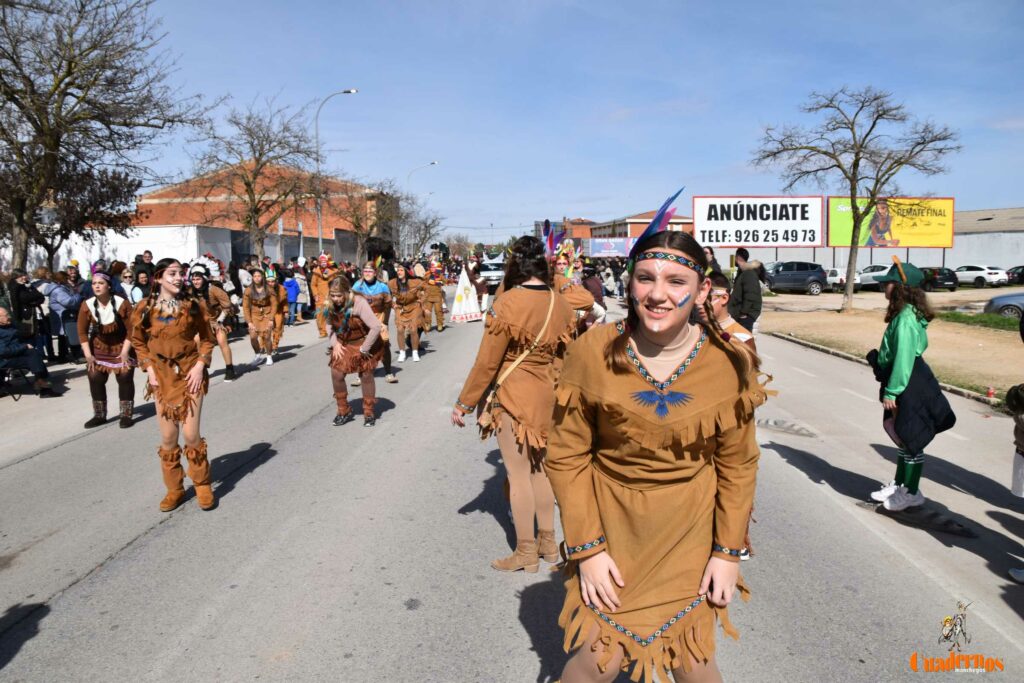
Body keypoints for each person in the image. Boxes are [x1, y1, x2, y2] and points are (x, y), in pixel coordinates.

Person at [546, 228, 766, 683]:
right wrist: (587, 549)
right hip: (611, 524)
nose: (658, 294)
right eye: (645, 278)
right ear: (630, 283)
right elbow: (567, 455)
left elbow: (738, 464)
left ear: (703, 289)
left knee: (694, 662)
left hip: (689, 530)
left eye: (676, 282)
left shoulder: (729, 363)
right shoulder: (592, 351)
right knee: (597, 662)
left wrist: (727, 553)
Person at [451, 236, 576, 572]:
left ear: (515, 265)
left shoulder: (507, 304)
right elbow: (566, 358)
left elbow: (487, 362)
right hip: (547, 395)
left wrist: (464, 402)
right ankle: (549, 544)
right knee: (542, 471)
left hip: (513, 395)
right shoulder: (561, 305)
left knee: (518, 476)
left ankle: (525, 553)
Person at [867, 262, 955, 512]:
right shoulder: (906, 312)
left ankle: (912, 492)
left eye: (888, 282)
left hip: (907, 382)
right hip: (906, 378)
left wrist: (892, 391)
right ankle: (901, 484)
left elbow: (904, 357)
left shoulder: (905, 318)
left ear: (901, 288)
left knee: (911, 438)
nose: (884, 286)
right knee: (904, 438)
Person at [130, 258, 217, 511]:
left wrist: (201, 365)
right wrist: (148, 368)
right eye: (172, 273)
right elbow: (138, 341)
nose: (179, 277)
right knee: (168, 437)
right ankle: (175, 489)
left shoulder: (193, 306)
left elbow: (208, 340)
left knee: (190, 434)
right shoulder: (145, 308)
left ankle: (202, 484)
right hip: (162, 376)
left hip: (190, 373)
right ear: (158, 278)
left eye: (181, 273)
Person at [78, 271, 136, 428]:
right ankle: (99, 415)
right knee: (94, 375)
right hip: (98, 347)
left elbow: (132, 330)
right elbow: (82, 332)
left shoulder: (121, 303)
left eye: (101, 283)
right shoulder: (87, 305)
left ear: (109, 286)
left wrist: (125, 352)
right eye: (94, 283)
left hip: (122, 346)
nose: (96, 286)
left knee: (124, 376)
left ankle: (126, 415)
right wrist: (88, 355)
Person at [325, 276, 383, 427]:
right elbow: (329, 326)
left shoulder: (359, 303)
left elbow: (376, 327)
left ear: (347, 292)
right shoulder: (329, 304)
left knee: (366, 374)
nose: (336, 299)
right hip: (344, 343)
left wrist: (365, 348)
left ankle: (369, 412)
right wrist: (335, 343)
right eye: (333, 295)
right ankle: (343, 410)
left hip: (365, 342)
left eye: (339, 295)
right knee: (336, 373)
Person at [189, 262, 237, 382]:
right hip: (203, 323)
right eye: (193, 279)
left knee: (221, 341)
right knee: (196, 342)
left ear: (204, 279)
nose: (195, 282)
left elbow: (227, 306)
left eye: (198, 279)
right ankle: (201, 367)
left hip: (219, 320)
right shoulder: (191, 292)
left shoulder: (214, 290)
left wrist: (220, 321)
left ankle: (230, 369)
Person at [353, 261, 397, 383]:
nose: (367, 273)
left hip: (379, 316)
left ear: (375, 272)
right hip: (363, 318)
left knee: (384, 344)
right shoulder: (358, 285)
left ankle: (388, 372)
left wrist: (385, 323)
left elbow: (388, 306)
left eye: (370, 271)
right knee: (362, 346)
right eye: (365, 271)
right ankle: (360, 374)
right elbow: (352, 303)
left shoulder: (383, 286)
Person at [0, 306, 55, 396]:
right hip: (5, 360)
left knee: (34, 353)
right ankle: (42, 383)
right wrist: (24, 346)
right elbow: (3, 352)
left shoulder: (10, 325)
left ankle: (40, 382)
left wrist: (25, 346)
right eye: (6, 315)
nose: (9, 317)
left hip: (16, 354)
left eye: (8, 314)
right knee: (34, 357)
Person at [708, 272, 756, 351]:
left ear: (724, 298)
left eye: (707, 297)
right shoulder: (693, 331)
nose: (700, 302)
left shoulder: (743, 338)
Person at [389, 263, 425, 362]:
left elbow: (427, 289)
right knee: (400, 329)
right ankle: (402, 353)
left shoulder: (415, 282)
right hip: (400, 307)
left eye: (401, 270)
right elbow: (387, 295)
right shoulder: (392, 283)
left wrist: (421, 300)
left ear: (406, 271)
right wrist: (393, 304)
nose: (399, 272)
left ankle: (415, 352)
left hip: (414, 307)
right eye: (398, 270)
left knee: (413, 330)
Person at [243, 268, 276, 367]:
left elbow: (274, 304)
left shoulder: (269, 289)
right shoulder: (248, 290)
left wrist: (271, 319)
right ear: (252, 278)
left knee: (267, 336)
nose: (257, 278)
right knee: (253, 337)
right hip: (254, 315)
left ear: (262, 277)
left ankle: (269, 356)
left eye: (259, 276)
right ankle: (258, 354)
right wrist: (249, 321)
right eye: (255, 276)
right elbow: (245, 306)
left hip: (266, 314)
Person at [48, 271, 83, 363]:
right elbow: (68, 302)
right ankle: (77, 356)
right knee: (72, 335)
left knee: (63, 337)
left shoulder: (59, 288)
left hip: (62, 316)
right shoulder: (59, 290)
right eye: (66, 278)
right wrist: (78, 295)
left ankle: (63, 356)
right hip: (64, 316)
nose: (68, 280)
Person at [728, 247, 762, 333]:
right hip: (739, 314)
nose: (734, 260)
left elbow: (750, 295)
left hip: (746, 316)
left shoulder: (749, 273)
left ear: (738, 258)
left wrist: (744, 313)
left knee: (744, 341)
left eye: (735, 257)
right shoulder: (742, 273)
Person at [310, 253, 339, 338]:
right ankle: (322, 332)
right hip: (320, 297)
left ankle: (335, 330)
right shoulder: (316, 272)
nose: (323, 263)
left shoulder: (333, 271)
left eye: (325, 261)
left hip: (332, 295)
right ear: (319, 262)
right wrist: (315, 295)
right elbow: (313, 285)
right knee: (320, 315)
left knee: (333, 314)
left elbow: (337, 282)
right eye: (322, 261)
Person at [422, 261, 447, 332]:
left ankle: (440, 324)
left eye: (434, 267)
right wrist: (425, 287)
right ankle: (428, 324)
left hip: (437, 296)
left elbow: (445, 281)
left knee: (438, 311)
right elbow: (423, 283)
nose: (432, 268)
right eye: (431, 267)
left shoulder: (440, 275)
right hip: (428, 296)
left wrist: (439, 281)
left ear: (436, 268)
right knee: (427, 312)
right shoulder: (427, 275)